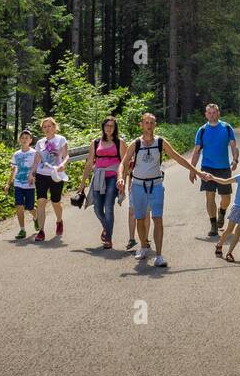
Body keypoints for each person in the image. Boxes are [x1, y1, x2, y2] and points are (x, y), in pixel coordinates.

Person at [121, 112, 197, 267]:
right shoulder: (135, 143)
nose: (149, 125)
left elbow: (177, 157)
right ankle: (143, 246)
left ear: (155, 125)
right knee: (140, 219)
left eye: (152, 122)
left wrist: (196, 170)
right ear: (141, 125)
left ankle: (159, 255)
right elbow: (123, 163)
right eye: (146, 122)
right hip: (138, 186)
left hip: (156, 185)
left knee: (158, 219)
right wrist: (120, 178)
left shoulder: (161, 142)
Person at [190, 103, 239, 237]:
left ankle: (222, 212)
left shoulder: (227, 128)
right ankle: (213, 225)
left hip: (224, 168)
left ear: (218, 113)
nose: (211, 115)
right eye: (209, 113)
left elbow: (234, 146)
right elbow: (196, 151)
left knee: (226, 197)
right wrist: (192, 169)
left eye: (214, 112)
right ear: (206, 114)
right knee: (209, 196)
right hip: (207, 168)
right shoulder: (202, 130)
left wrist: (235, 160)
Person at [81, 116, 125, 250]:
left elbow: (125, 163)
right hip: (99, 176)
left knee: (108, 206)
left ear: (115, 128)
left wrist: (123, 180)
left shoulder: (120, 142)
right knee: (97, 208)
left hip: (113, 177)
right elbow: (89, 163)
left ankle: (108, 239)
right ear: (103, 127)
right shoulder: (95, 142)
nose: (109, 128)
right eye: (107, 125)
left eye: (111, 126)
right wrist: (82, 183)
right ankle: (106, 228)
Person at [29, 117, 69, 242]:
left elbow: (66, 155)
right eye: (44, 127)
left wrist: (64, 164)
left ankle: (59, 221)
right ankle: (41, 231)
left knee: (55, 201)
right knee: (41, 201)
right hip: (41, 174)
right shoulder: (40, 142)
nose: (47, 128)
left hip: (56, 174)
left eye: (49, 126)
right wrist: (32, 173)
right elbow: (37, 158)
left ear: (54, 127)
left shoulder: (60, 139)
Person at [8, 129, 37, 239]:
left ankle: (36, 218)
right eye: (22, 138)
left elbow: (37, 168)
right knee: (19, 206)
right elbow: (13, 169)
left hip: (30, 184)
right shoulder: (16, 154)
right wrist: (8, 184)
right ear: (20, 140)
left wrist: (34, 177)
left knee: (30, 207)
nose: (24, 140)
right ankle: (22, 230)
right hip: (18, 184)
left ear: (30, 140)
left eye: (27, 138)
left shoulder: (34, 153)